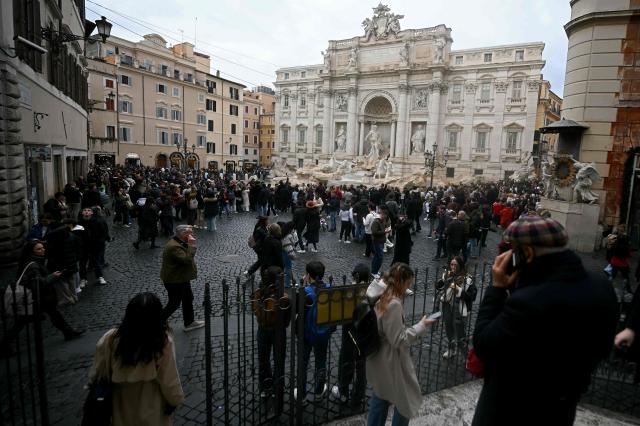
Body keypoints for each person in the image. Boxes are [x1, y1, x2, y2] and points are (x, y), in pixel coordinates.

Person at [472, 216, 618, 426]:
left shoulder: (528, 302)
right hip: (563, 405)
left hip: (512, 409)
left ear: (528, 253)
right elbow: (603, 346)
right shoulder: (601, 285)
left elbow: (484, 345)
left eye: (514, 250)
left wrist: (496, 289)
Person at [86, 293, 184, 426]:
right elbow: (169, 379)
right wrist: (175, 400)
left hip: (120, 405)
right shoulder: (162, 342)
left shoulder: (110, 339)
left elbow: (97, 373)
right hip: (151, 405)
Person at [366, 263, 436, 426]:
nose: (408, 287)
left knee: (381, 395)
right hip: (391, 361)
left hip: (379, 358)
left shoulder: (380, 293)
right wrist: (421, 325)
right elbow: (398, 340)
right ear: (401, 282)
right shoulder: (394, 303)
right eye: (408, 283)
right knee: (405, 400)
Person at [1, 241, 84, 356]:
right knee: (21, 322)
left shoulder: (32, 262)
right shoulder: (33, 265)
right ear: (32, 252)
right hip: (34, 298)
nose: (43, 250)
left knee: (54, 314)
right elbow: (38, 283)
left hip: (39, 298)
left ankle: (68, 332)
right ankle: (4, 345)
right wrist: (53, 276)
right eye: (39, 249)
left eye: (43, 248)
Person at [331, 263, 370, 407]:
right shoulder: (372, 289)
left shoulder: (351, 292)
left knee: (346, 361)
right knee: (361, 364)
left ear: (356, 277)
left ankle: (343, 392)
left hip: (351, 332)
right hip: (365, 334)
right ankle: (359, 394)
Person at [298, 261, 333, 401]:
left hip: (306, 334)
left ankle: (302, 393)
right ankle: (319, 391)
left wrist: (303, 285)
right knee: (321, 361)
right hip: (323, 332)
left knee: (303, 362)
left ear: (308, 275)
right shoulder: (329, 289)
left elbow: (300, 314)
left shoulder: (305, 292)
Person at [159, 225, 204, 332]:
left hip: (181, 278)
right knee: (174, 303)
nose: (192, 235)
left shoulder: (178, 242)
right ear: (183, 234)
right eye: (190, 233)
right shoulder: (174, 246)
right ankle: (158, 322)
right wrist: (192, 245)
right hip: (175, 280)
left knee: (188, 298)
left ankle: (189, 322)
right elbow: (187, 259)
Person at [437, 256, 474, 359]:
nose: (453, 267)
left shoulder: (468, 279)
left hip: (460, 309)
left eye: (455, 265)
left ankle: (467, 357)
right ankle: (451, 349)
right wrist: (442, 282)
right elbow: (439, 288)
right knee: (448, 329)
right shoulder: (447, 275)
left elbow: (471, 297)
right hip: (447, 306)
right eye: (451, 264)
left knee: (460, 333)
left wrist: (459, 291)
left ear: (460, 266)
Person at [370, 207, 390, 276]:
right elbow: (374, 232)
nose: (385, 217)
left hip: (380, 241)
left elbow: (382, 228)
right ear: (382, 214)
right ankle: (374, 272)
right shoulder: (376, 221)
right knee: (380, 257)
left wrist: (386, 228)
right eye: (384, 215)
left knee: (377, 256)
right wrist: (384, 232)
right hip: (377, 241)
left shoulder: (382, 220)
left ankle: (374, 270)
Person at [280, 222, 298, 288]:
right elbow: (293, 243)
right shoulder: (289, 235)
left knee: (284, 268)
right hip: (287, 253)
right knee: (288, 269)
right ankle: (287, 284)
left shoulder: (282, 234)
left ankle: (282, 282)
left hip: (282, 252)